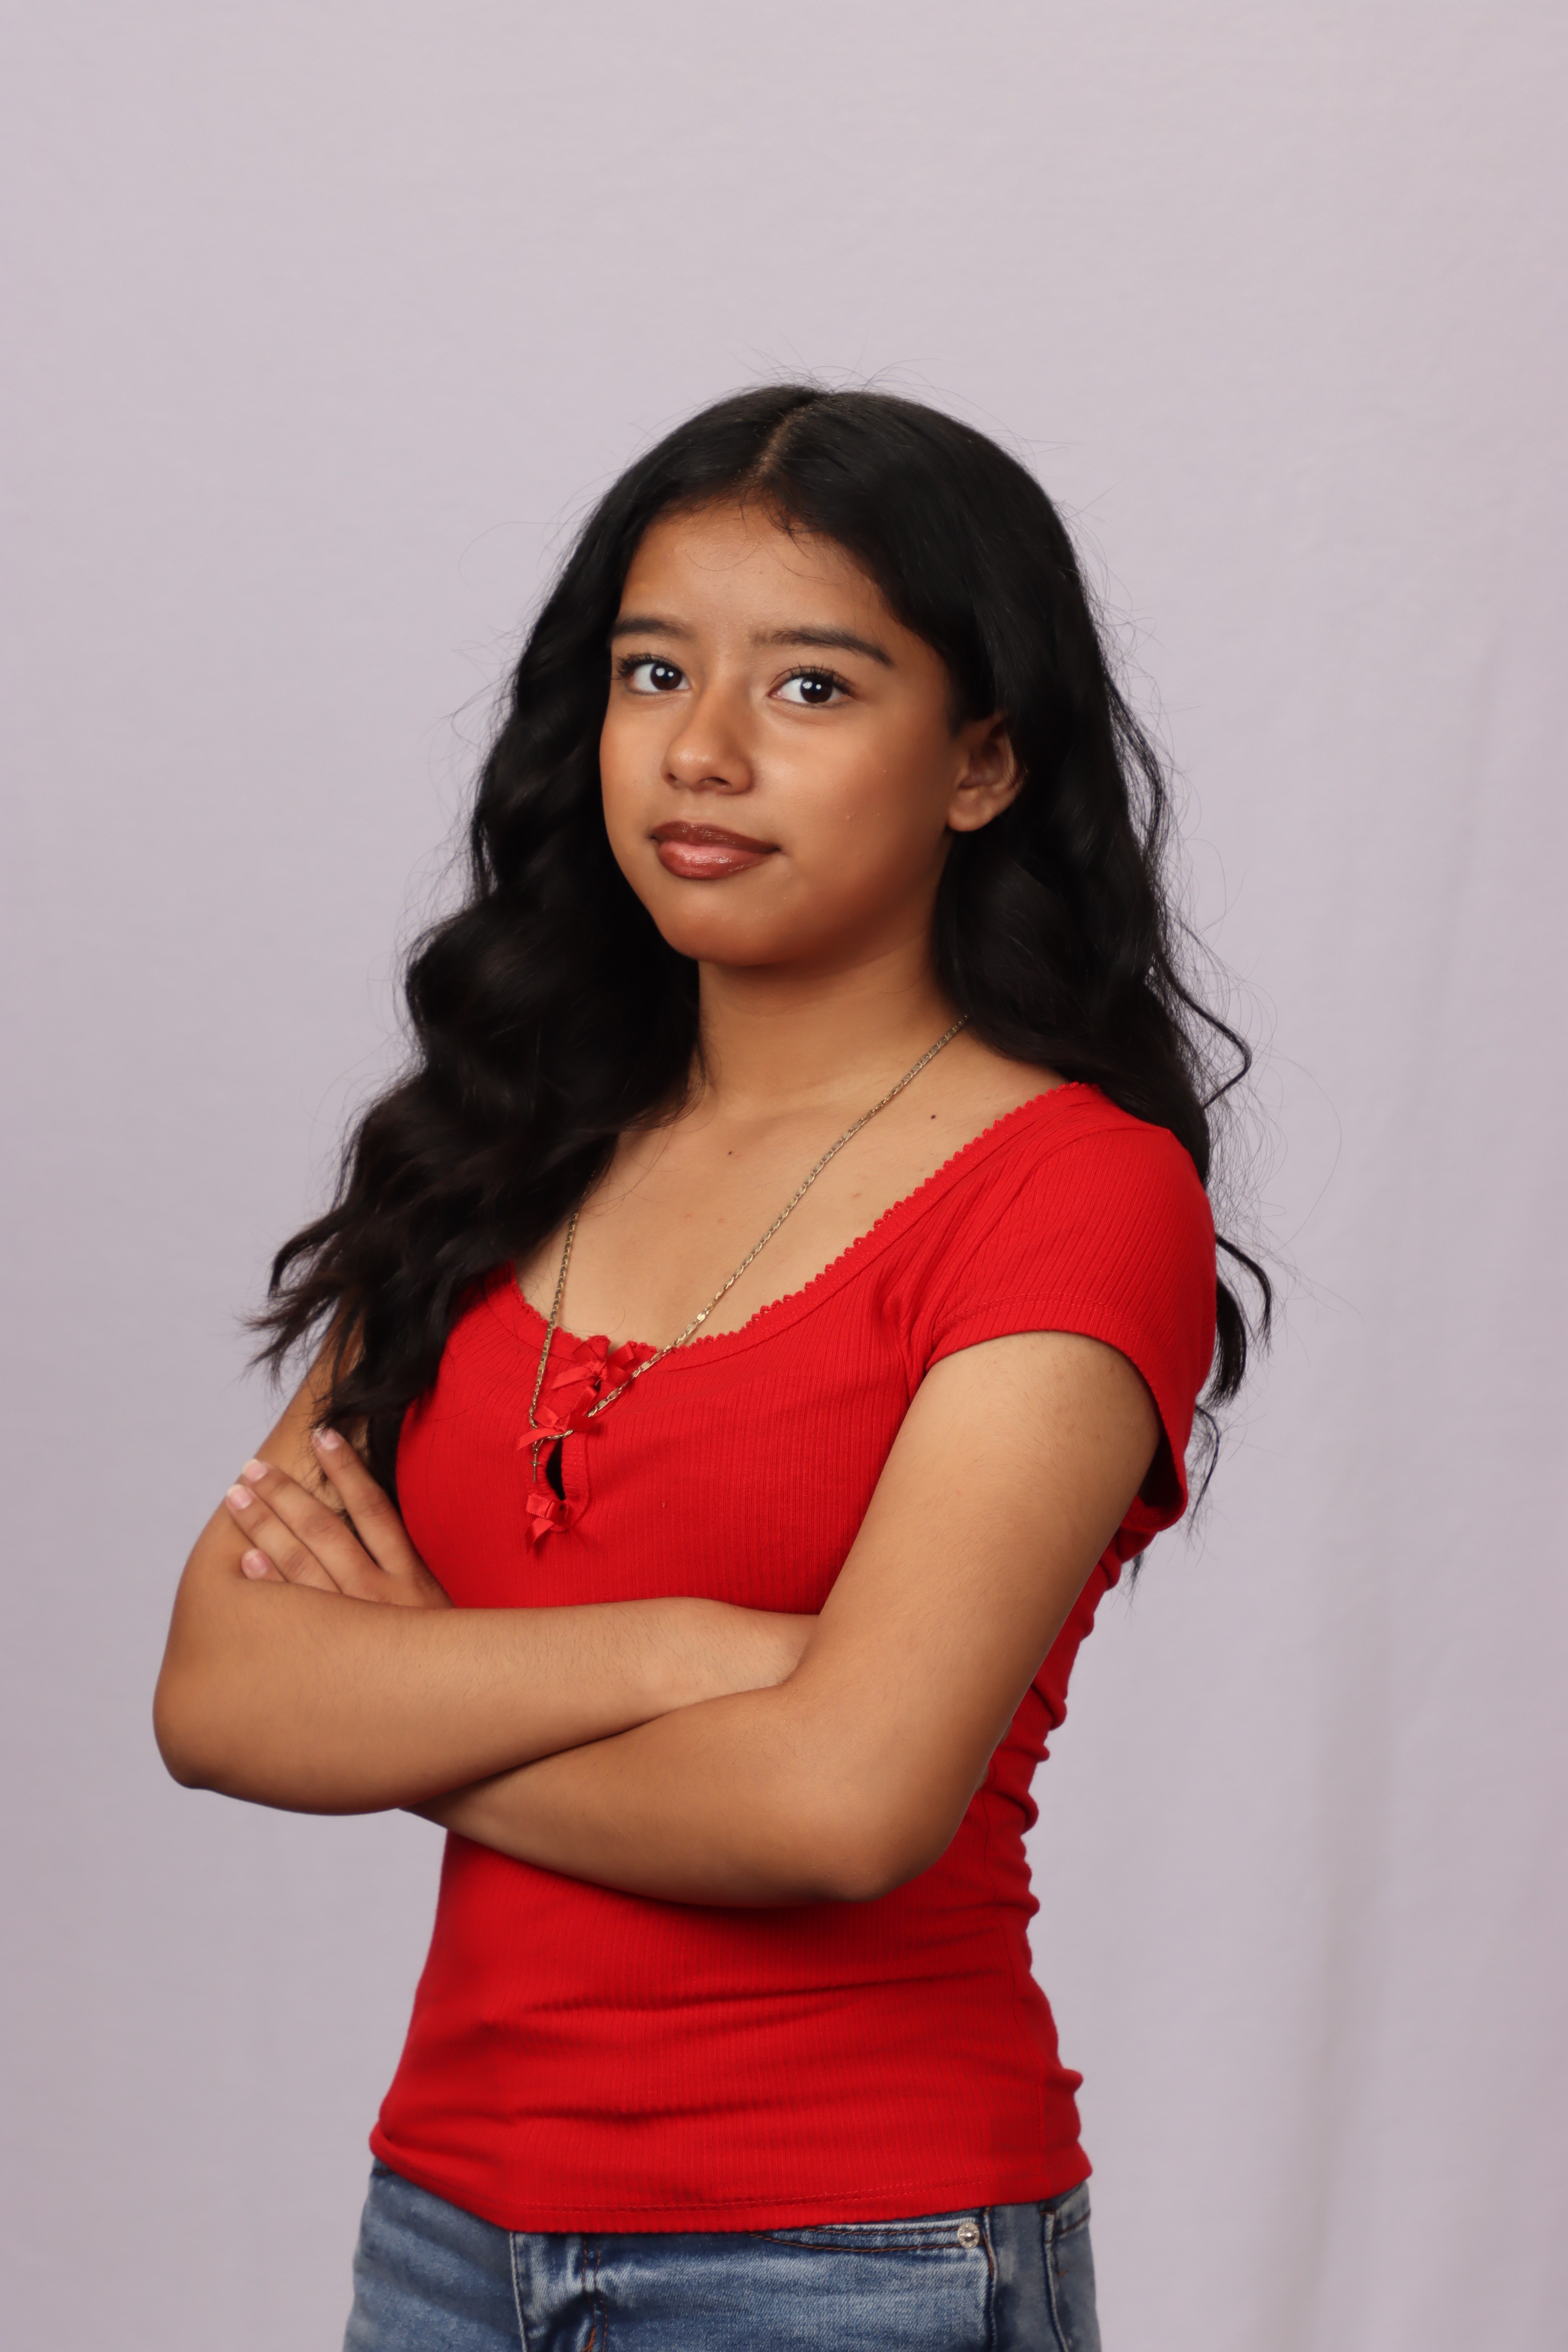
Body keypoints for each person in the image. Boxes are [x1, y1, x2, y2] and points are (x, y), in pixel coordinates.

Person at [154, 385, 1268, 2351]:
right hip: (441, 2233)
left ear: (983, 762)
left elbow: (842, 1806)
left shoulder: (1076, 1195)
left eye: (812, 686)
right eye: (652, 670)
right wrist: (695, 1653)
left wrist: (405, 1697)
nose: (703, 748)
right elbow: (224, 1696)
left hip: (851, 2253)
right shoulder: (500, 1138)